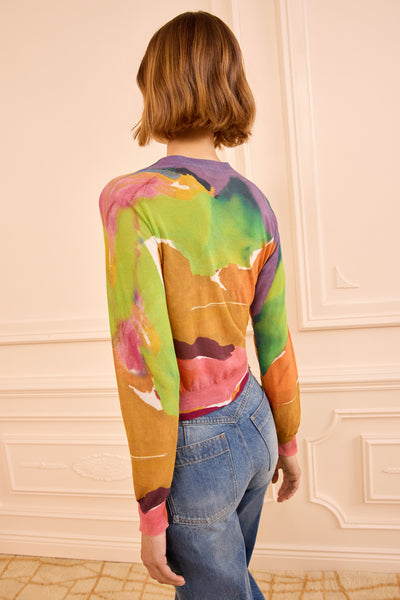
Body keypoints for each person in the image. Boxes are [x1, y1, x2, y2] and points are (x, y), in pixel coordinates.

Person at [99, 10, 301, 600]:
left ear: (154, 85)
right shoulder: (254, 202)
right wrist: (288, 440)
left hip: (197, 449)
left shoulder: (131, 201)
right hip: (256, 423)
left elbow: (147, 368)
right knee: (230, 584)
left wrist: (151, 509)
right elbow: (275, 335)